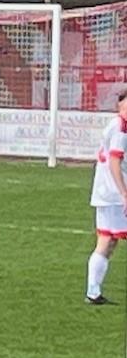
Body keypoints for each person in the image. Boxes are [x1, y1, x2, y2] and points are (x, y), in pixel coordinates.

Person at [87, 88, 127, 305]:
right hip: (114, 193)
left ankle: (93, 292)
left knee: (107, 241)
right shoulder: (121, 128)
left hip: (105, 191)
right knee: (107, 241)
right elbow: (114, 163)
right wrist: (123, 193)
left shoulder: (118, 125)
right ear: (120, 104)